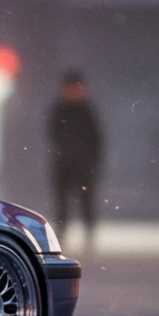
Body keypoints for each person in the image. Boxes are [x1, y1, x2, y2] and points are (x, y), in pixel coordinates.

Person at [48, 70, 103, 245]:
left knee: (86, 201)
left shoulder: (86, 111)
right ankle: (62, 235)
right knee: (62, 203)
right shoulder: (60, 109)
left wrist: (92, 162)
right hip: (64, 165)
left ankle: (89, 235)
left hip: (83, 165)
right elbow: (53, 134)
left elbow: (97, 139)